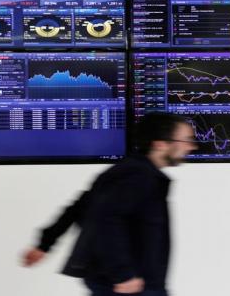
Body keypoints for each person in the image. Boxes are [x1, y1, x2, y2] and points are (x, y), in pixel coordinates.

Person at [21, 112, 197, 295]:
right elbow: (105, 219)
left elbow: (79, 208)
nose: (192, 147)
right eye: (186, 140)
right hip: (128, 286)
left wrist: (44, 244)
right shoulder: (139, 178)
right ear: (160, 144)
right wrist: (123, 274)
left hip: (127, 283)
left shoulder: (126, 172)